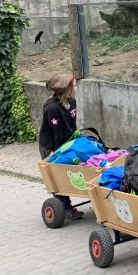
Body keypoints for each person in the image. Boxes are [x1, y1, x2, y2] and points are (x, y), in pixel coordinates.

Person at [39, 73, 82, 220]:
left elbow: (72, 126)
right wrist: (55, 153)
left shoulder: (72, 102)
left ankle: (66, 204)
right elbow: (55, 133)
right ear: (66, 89)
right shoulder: (51, 108)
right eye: (74, 86)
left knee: (69, 170)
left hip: (67, 142)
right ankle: (65, 207)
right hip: (51, 146)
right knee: (57, 175)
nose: (76, 88)